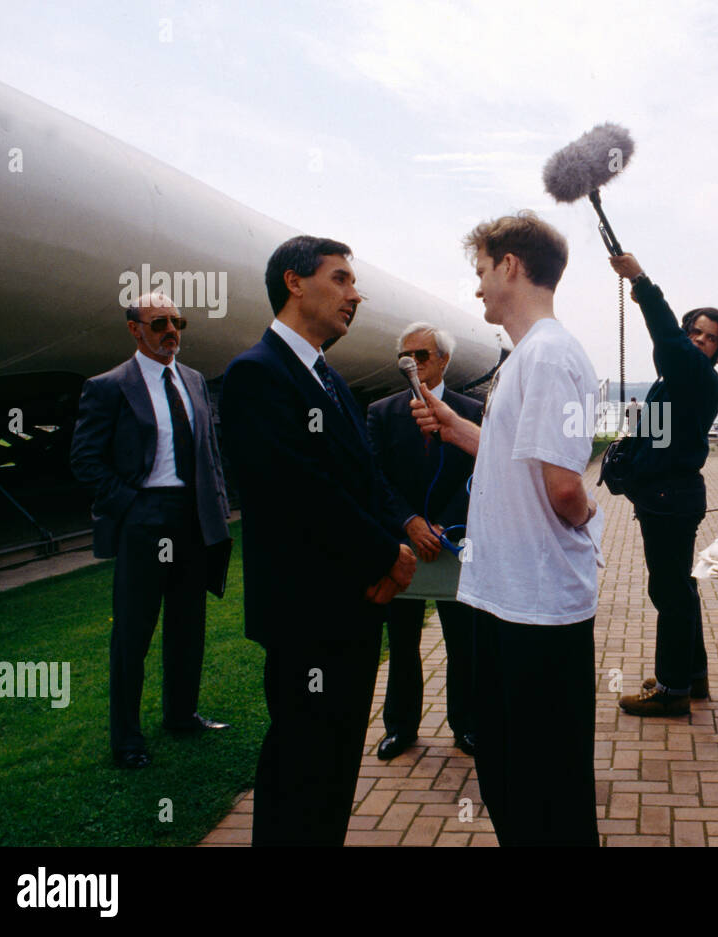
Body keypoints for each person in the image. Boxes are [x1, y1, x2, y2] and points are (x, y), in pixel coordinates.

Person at [411, 211, 602, 846]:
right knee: (510, 771)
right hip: (510, 601)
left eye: (482, 271)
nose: (477, 288)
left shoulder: (548, 355)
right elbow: (506, 448)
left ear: (511, 267)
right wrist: (449, 422)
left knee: (544, 786)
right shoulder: (529, 357)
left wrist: (589, 509)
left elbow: (564, 486)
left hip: (538, 610)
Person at [221, 236, 416, 846]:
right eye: (340, 279)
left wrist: (403, 531)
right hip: (308, 613)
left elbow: (365, 477)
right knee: (301, 763)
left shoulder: (325, 376)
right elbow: (297, 491)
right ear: (294, 282)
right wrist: (387, 553)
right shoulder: (257, 375)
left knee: (333, 765)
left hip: (353, 606)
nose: (355, 294)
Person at [69, 291, 233, 769]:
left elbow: (209, 452)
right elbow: (84, 459)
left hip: (193, 518)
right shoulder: (108, 387)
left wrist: (217, 508)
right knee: (134, 633)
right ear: (134, 329)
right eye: (158, 321)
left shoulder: (195, 380)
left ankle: (181, 715)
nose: (171, 331)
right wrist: (132, 505)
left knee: (188, 624)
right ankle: (127, 739)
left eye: (177, 321)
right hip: (145, 520)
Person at [607, 252, 718, 717]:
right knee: (680, 588)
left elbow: (666, 336)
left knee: (668, 593)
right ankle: (690, 676)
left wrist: (640, 282)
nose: (701, 341)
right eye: (695, 333)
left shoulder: (698, 377)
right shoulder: (676, 380)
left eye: (711, 339)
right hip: (667, 497)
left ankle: (670, 690)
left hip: (671, 499)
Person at [367, 322, 483, 759]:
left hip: (454, 541)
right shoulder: (381, 411)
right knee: (401, 641)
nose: (413, 363)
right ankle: (400, 726)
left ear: (443, 360)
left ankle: (467, 724)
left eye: (422, 356)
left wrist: (443, 524)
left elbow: (479, 470)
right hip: (401, 542)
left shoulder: (472, 408)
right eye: (407, 356)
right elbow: (374, 476)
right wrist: (411, 521)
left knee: (462, 639)